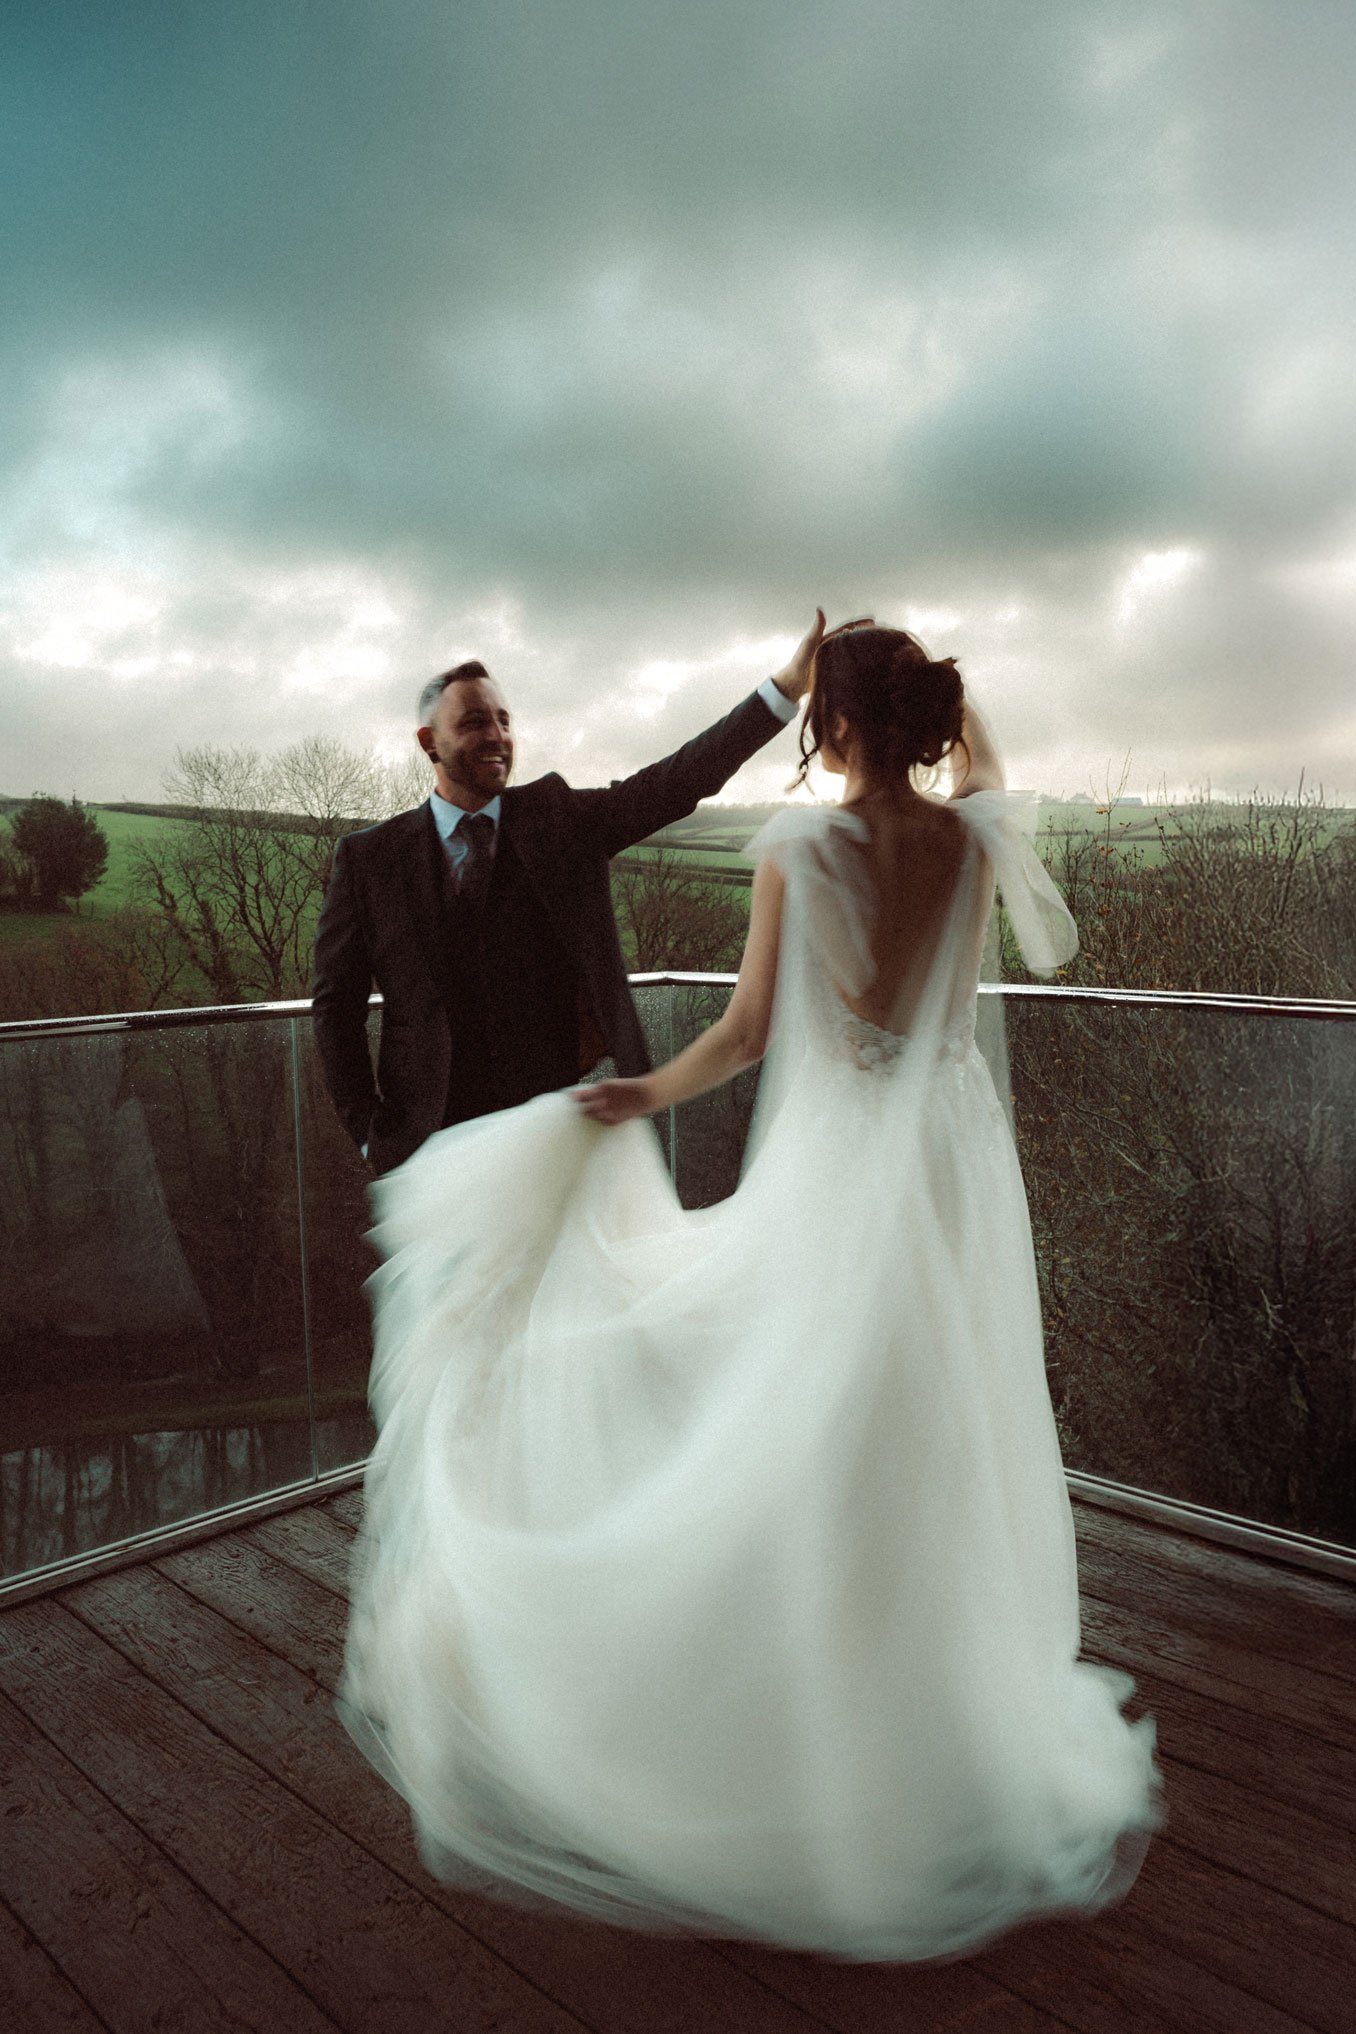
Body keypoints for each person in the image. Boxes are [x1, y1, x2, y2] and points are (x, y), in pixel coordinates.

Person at [338, 623, 1162, 1961]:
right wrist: (937, 697)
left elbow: (742, 1033)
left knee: (796, 1420)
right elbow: (986, 783)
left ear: (827, 723)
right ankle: (932, 1724)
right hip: (951, 1174)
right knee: (929, 1434)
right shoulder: (975, 842)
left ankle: (811, 1725)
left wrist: (636, 1093)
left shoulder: (797, 850)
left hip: (840, 1174)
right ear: (926, 718)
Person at [312, 617, 842, 1173]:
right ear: (429, 742)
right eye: (474, 722)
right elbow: (336, 1010)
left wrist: (787, 687)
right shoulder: (368, 858)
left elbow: (679, 780)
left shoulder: (558, 819)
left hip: (557, 1130)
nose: (497, 736)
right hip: (428, 1149)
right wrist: (369, 1134)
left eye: (504, 720)